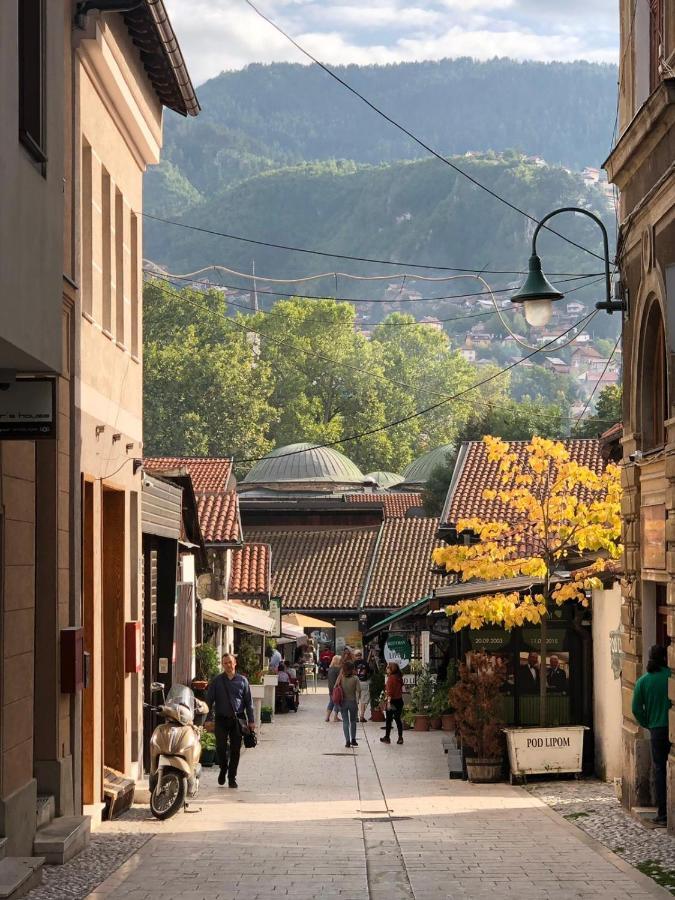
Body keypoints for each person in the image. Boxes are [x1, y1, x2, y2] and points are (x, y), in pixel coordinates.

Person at [632, 644, 672, 826]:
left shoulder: (643, 681)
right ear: (666, 658)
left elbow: (635, 709)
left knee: (660, 770)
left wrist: (647, 723)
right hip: (671, 727)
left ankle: (663, 813)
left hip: (656, 729)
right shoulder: (670, 677)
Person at [206, 653, 255, 789]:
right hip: (221, 719)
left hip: (238, 720)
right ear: (223, 665)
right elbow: (209, 701)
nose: (228, 665)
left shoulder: (243, 681)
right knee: (220, 748)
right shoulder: (217, 681)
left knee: (235, 750)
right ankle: (223, 768)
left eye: (230, 662)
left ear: (235, 663)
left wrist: (251, 720)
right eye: (225, 663)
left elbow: (249, 702)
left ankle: (232, 777)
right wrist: (208, 719)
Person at [380, 662, 404, 745]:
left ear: (391, 669)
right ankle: (400, 737)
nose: (386, 669)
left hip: (392, 701)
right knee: (398, 719)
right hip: (399, 700)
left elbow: (390, 692)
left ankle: (387, 737)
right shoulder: (399, 677)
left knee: (389, 720)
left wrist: (388, 703)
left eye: (387, 668)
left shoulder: (390, 679)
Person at [339, 660, 361, 748]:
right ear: (352, 669)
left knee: (345, 721)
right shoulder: (355, 678)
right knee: (353, 721)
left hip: (343, 702)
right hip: (352, 701)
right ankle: (353, 739)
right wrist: (358, 700)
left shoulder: (341, 677)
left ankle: (347, 741)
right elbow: (359, 690)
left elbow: (335, 687)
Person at [354, 650, 371, 723]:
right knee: (363, 701)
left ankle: (355, 717)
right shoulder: (365, 663)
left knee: (355, 701)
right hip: (364, 682)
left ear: (355, 656)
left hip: (356, 683)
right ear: (361, 655)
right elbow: (370, 671)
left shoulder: (353, 663)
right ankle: (362, 716)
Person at [326, 655, 342, 722]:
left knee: (331, 702)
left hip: (330, 687)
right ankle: (335, 717)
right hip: (336, 688)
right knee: (337, 702)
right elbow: (340, 679)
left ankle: (327, 717)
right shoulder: (338, 669)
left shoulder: (330, 669)